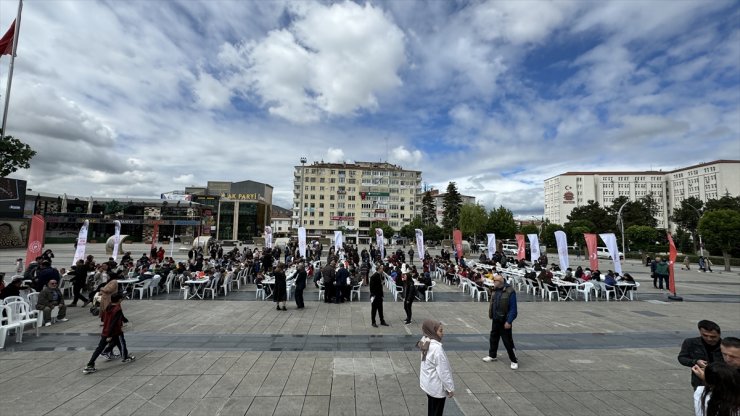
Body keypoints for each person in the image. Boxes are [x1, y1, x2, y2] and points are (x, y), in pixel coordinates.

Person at [83, 292, 135, 374]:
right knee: (121, 343)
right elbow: (114, 322)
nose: (122, 300)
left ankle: (90, 365)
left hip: (105, 330)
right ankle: (125, 357)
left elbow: (104, 318)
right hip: (114, 331)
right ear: (119, 300)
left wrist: (125, 320)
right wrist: (109, 335)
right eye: (121, 298)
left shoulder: (108, 306)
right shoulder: (117, 309)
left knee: (100, 348)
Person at [417, 320, 454, 416]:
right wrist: (450, 388)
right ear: (433, 331)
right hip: (436, 387)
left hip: (428, 384)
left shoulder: (425, 340)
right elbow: (443, 371)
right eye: (440, 331)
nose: (443, 334)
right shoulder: (437, 349)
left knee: (432, 409)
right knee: (437, 411)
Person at [482, 275, 518, 369]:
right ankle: (492, 355)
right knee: (493, 337)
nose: (493, 282)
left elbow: (513, 309)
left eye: (495, 281)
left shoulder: (510, 291)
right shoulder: (495, 289)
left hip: (505, 320)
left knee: (507, 341)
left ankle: (514, 360)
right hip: (496, 319)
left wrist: (509, 321)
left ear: (500, 282)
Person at [678, 320, 723, 390]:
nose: (709, 339)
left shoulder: (726, 346)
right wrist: (696, 362)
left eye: (713, 337)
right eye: (705, 335)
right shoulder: (691, 343)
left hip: (723, 381)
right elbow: (682, 358)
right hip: (700, 382)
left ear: (719, 334)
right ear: (700, 332)